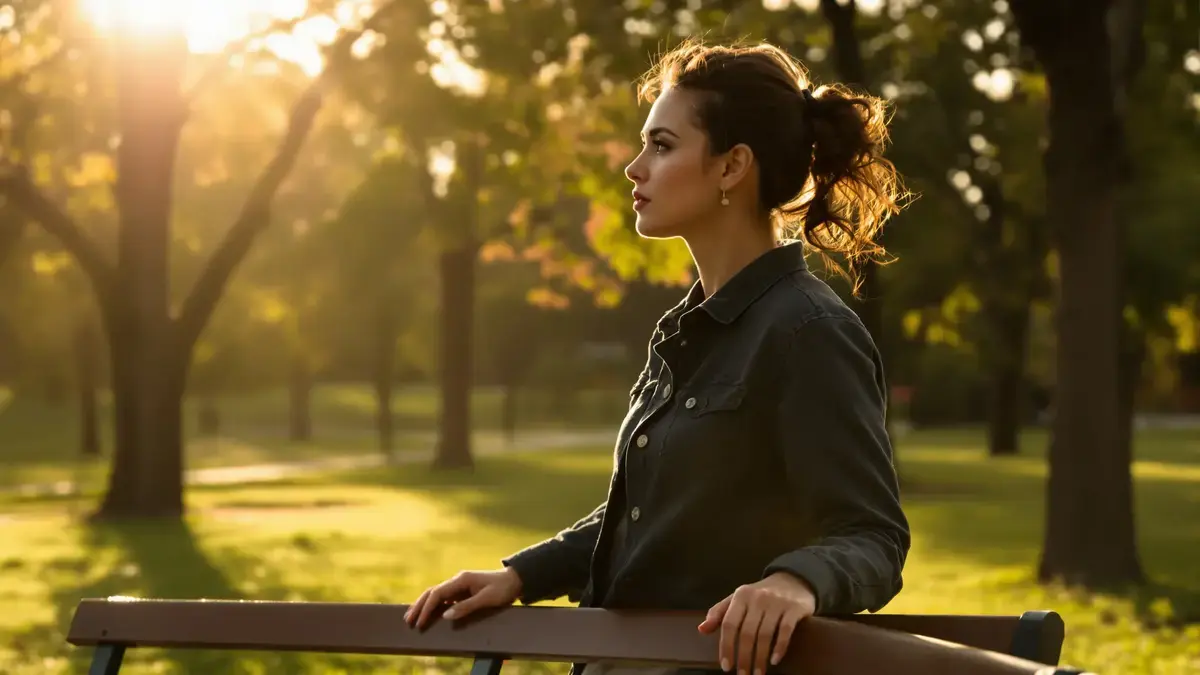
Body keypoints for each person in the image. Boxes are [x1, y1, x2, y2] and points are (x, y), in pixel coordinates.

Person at [405, 39, 911, 675]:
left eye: (663, 145)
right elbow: (655, 518)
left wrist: (795, 583)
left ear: (732, 167)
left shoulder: (809, 331)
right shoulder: (685, 331)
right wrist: (520, 575)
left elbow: (873, 536)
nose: (634, 168)